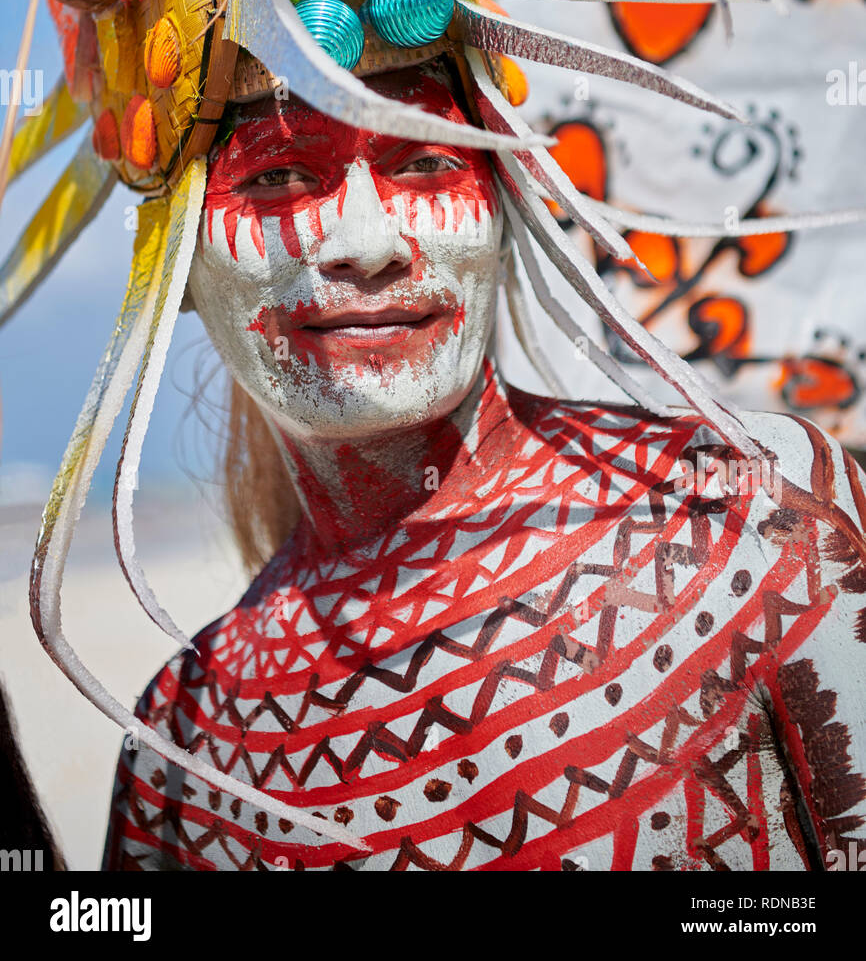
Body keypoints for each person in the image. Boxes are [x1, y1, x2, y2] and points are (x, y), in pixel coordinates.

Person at [102, 61, 866, 871]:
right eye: (280, 175)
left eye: (427, 161)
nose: (368, 245)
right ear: (175, 261)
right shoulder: (185, 756)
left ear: (505, 206)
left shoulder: (753, 512)